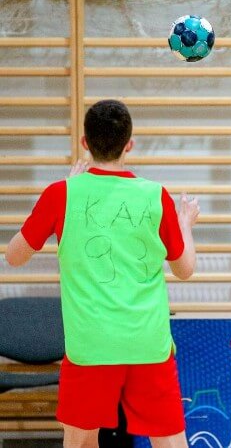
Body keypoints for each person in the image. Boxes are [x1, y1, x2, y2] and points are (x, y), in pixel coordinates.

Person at [4, 100, 199, 448]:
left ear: (85, 142)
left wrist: (66, 194)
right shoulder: (156, 195)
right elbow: (185, 270)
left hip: (91, 346)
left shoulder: (61, 194)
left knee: (80, 442)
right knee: (170, 442)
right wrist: (185, 224)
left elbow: (14, 257)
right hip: (147, 343)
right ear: (129, 144)